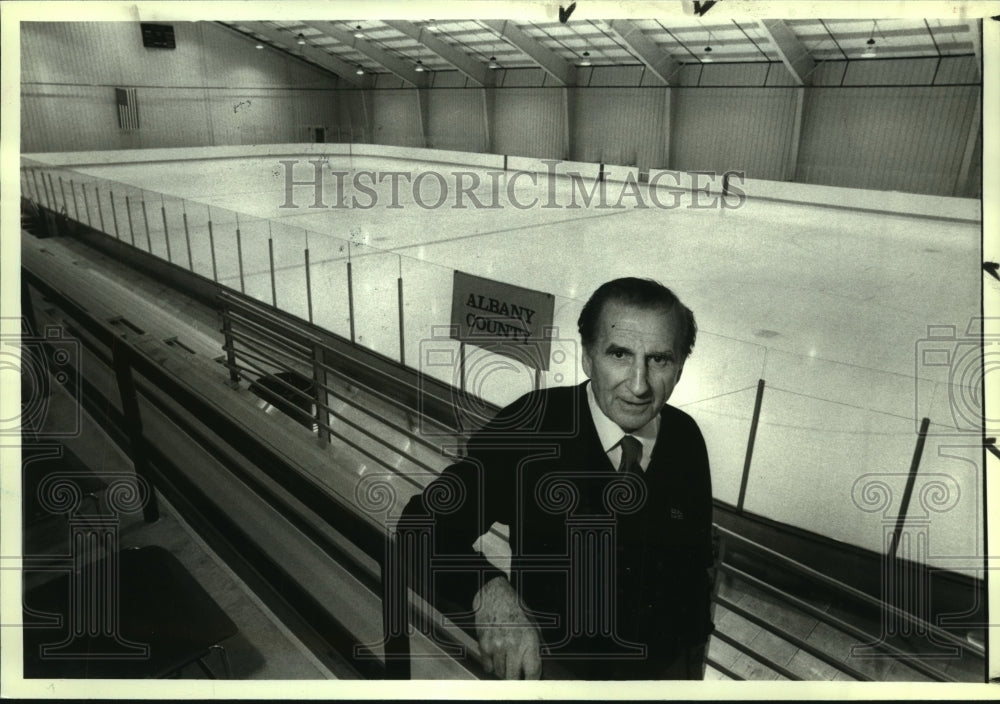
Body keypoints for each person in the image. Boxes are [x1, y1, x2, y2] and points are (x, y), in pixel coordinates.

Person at [400, 277, 715, 679]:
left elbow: (695, 569)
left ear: (681, 367)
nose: (639, 385)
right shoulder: (530, 428)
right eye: (619, 354)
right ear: (586, 358)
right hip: (556, 676)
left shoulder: (687, 439)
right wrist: (488, 591)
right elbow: (420, 525)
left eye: (659, 359)